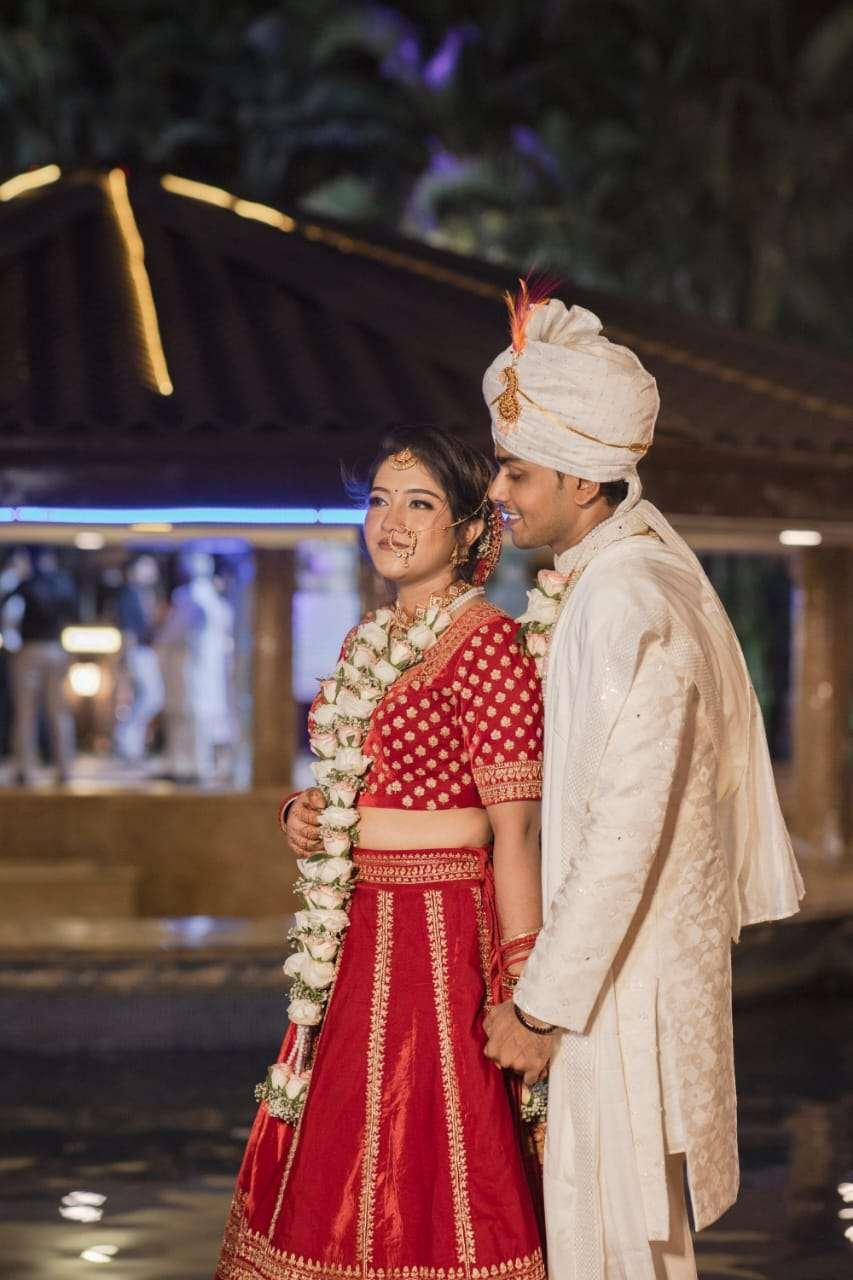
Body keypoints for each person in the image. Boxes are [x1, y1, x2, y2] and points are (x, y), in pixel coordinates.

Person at [480, 286, 805, 1280]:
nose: (497, 489)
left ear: (583, 480)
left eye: (516, 470)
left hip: (612, 1002)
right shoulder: (623, 578)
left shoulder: (626, 601)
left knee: (614, 1249)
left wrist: (540, 1007)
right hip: (610, 986)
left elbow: (625, 830)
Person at [216, 427, 546, 1280]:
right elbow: (356, 782)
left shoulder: (486, 643)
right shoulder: (368, 639)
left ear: (469, 531)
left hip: (441, 942)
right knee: (339, 1151)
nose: (390, 522)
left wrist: (528, 989)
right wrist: (305, 812)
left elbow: (512, 829)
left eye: (419, 503)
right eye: (377, 500)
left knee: (430, 1154)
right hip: (361, 932)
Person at [1, 546, 77, 785]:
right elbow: (74, 613)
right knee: (59, 713)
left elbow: (4, 604)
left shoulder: (27, 583)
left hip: (30, 649)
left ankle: (25, 770)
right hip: (56, 648)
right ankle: (64, 770)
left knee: (26, 712)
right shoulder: (64, 583)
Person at [156, 550, 234, 783]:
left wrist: (160, 642)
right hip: (202, 669)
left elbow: (173, 633)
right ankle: (190, 765)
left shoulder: (190, 598)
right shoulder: (213, 599)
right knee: (193, 718)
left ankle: (189, 766)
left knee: (188, 718)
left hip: (191, 668)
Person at [114, 555, 165, 764]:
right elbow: (128, 629)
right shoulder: (129, 594)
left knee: (148, 698)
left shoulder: (145, 594)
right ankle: (126, 741)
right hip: (137, 651)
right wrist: (127, 656)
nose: (151, 570)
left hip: (145, 651)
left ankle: (132, 746)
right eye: (146, 566)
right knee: (152, 697)